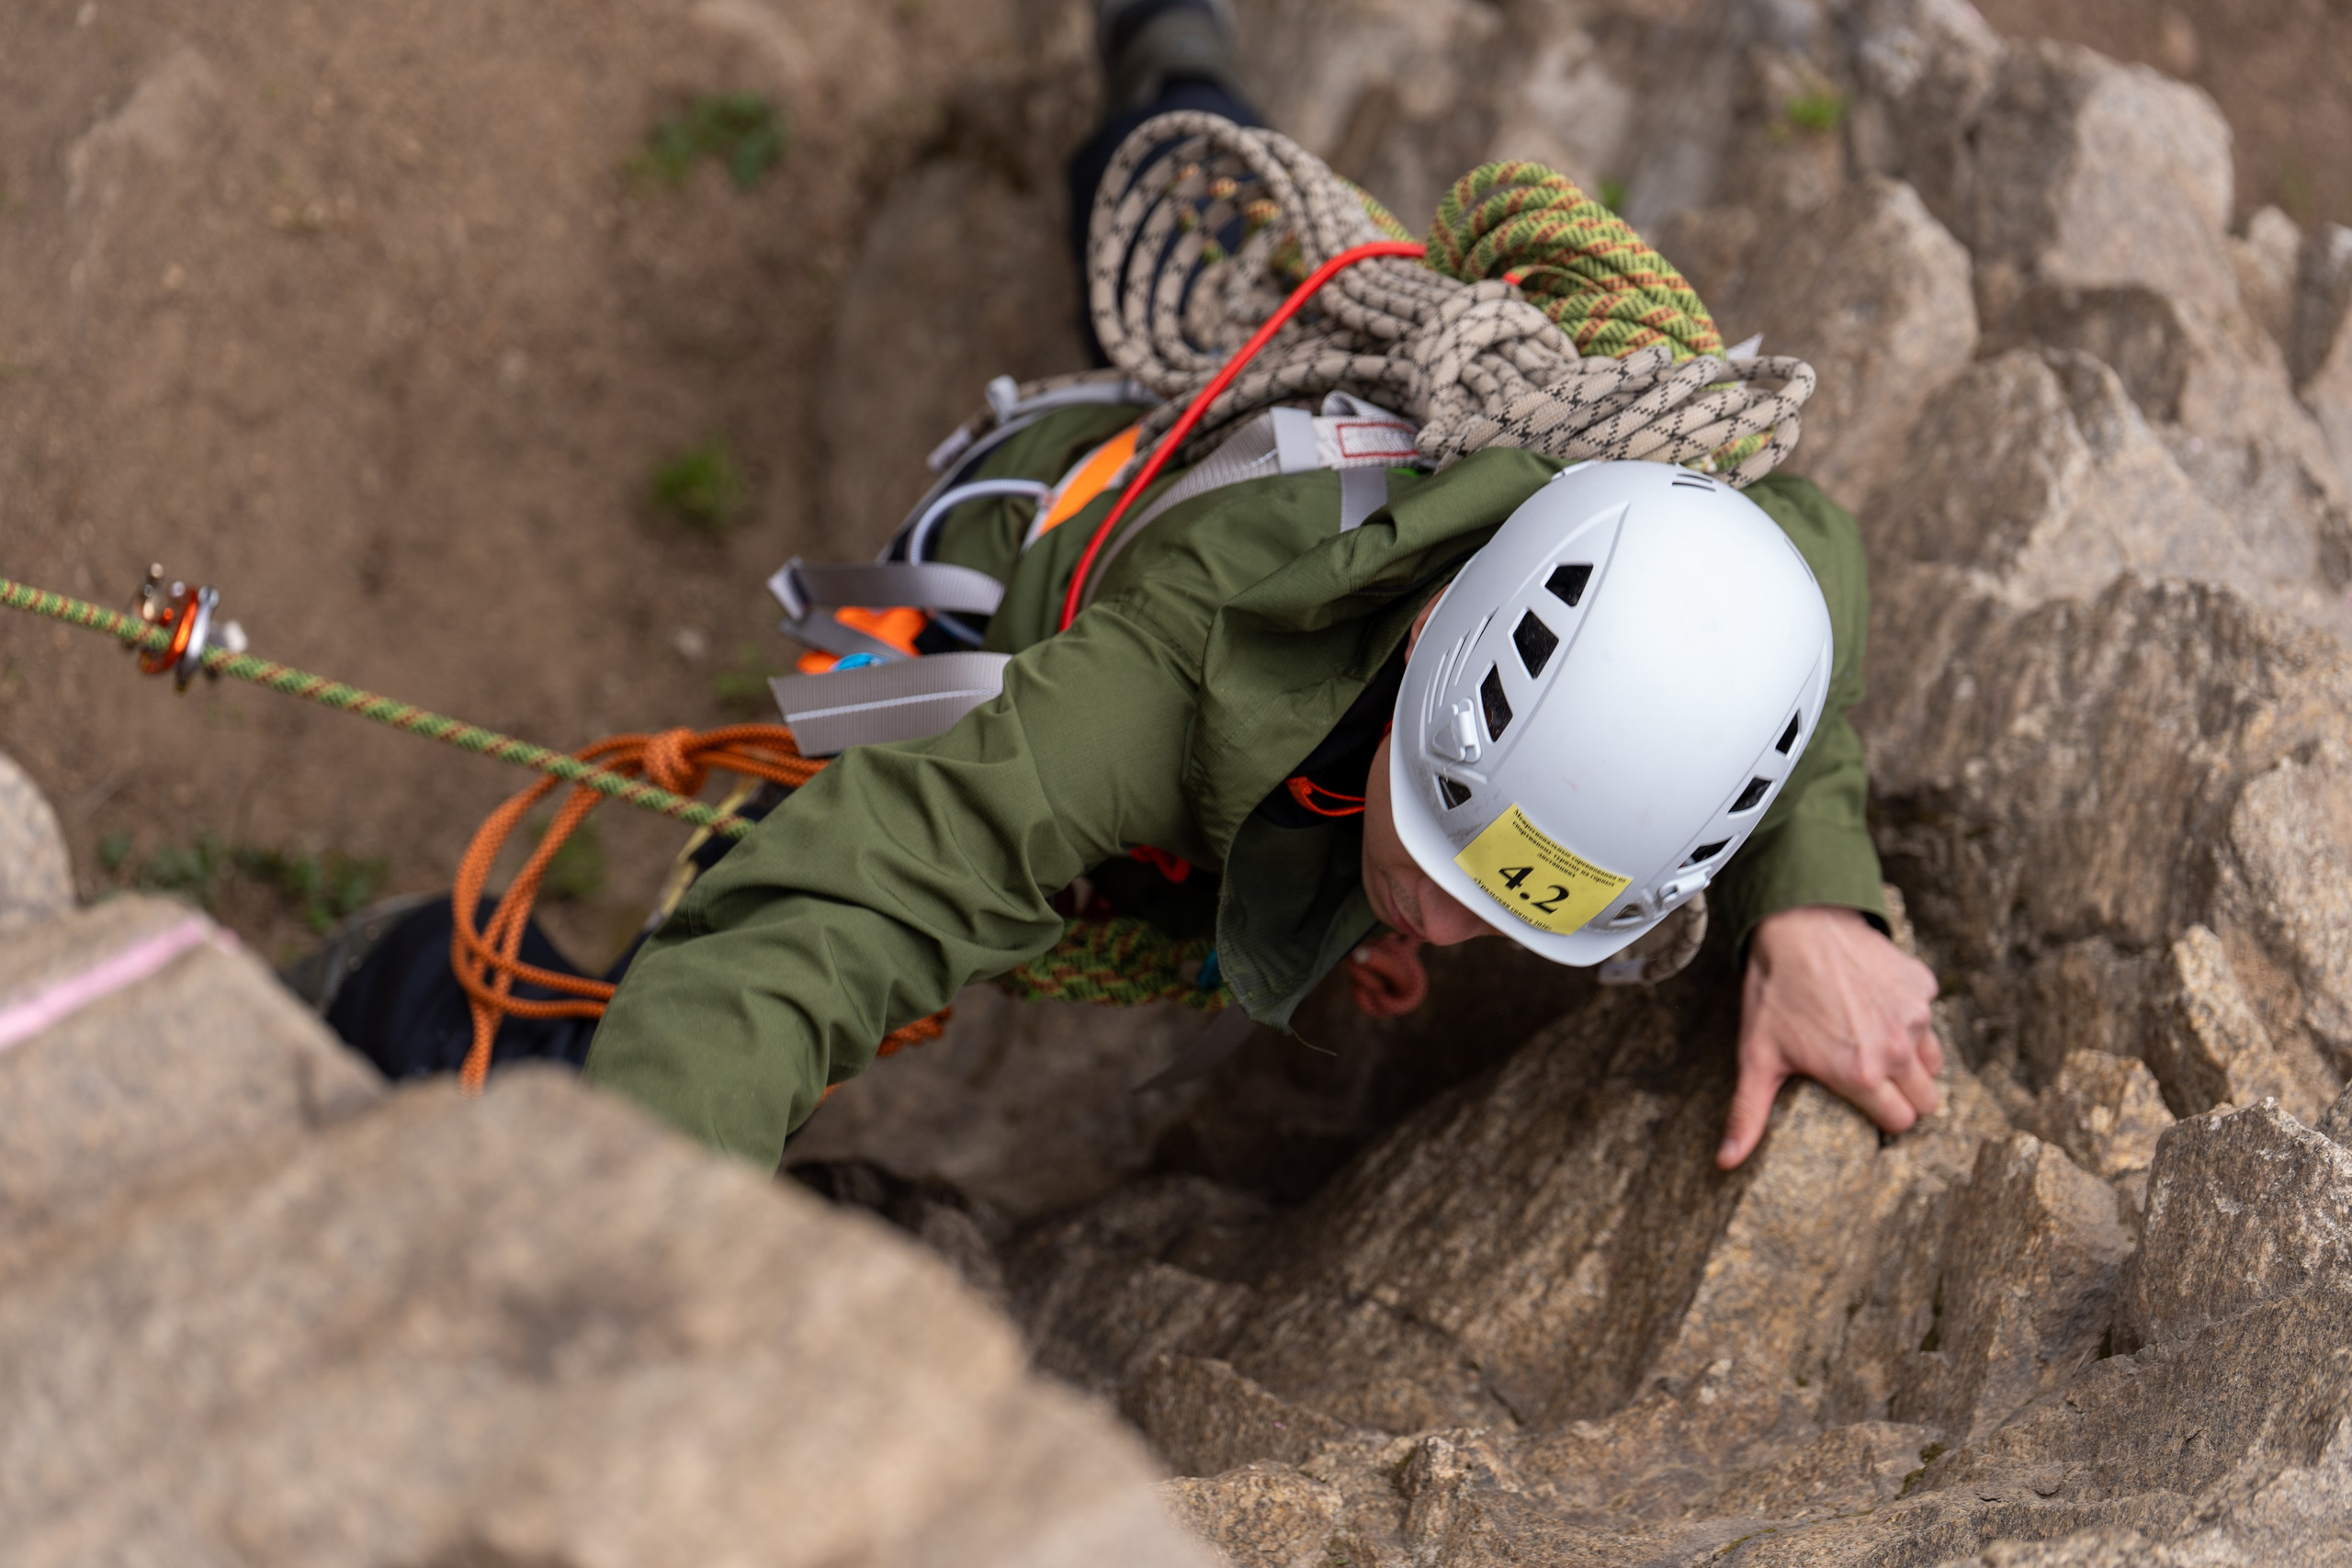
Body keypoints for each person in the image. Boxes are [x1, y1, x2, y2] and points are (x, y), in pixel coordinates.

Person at [321, 0, 1941, 1176]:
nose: (1440, 926)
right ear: (1440, 646)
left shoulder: (1692, 540)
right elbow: (851, 899)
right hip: (1034, 565)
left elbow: (1807, 565)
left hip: (1284, 459)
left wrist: (1806, 897)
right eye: (1458, 846)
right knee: (748, 909)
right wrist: (641, 1216)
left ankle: (1168, 54)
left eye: (1525, 888)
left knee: (1178, 186)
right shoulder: (1161, 680)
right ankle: (413, 991)